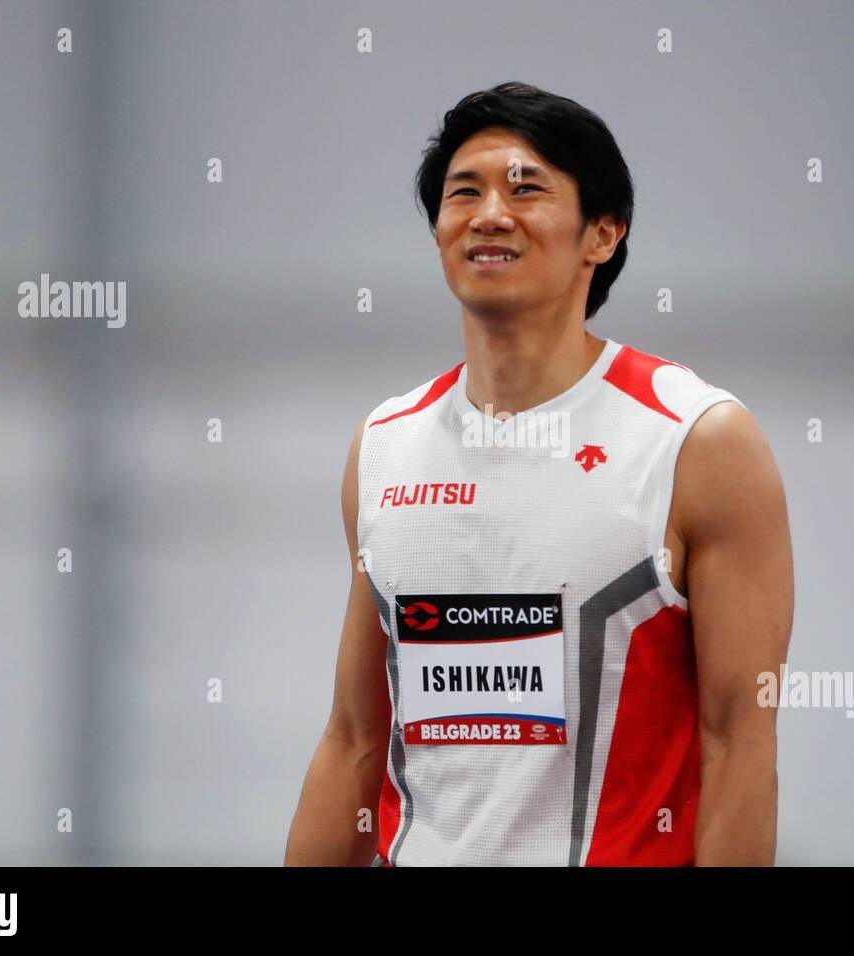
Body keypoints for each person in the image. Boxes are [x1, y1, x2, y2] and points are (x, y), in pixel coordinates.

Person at [284, 81, 793, 866]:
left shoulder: (696, 441)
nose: (490, 213)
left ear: (604, 233)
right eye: (464, 193)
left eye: (526, 189)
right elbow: (353, 739)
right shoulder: (384, 446)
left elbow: (740, 745)